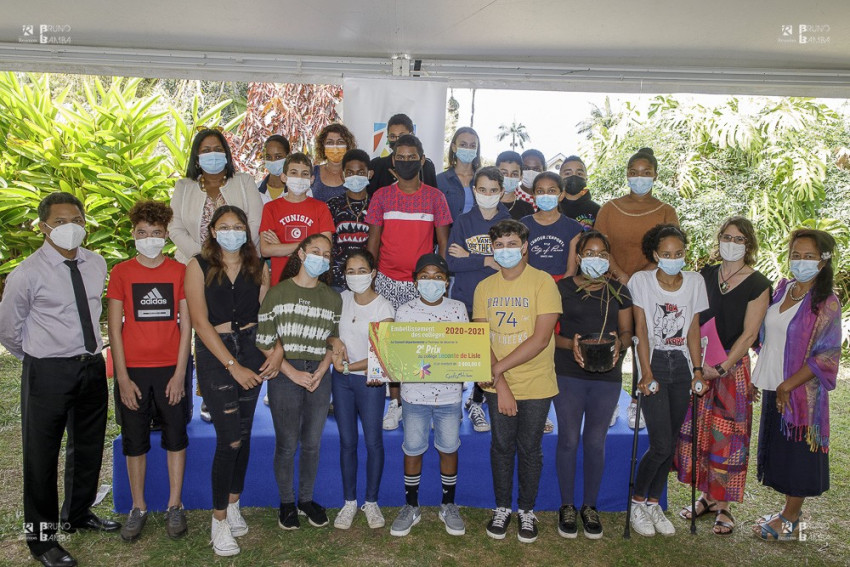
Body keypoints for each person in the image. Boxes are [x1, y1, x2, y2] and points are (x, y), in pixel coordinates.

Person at [0, 192, 120, 567]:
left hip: (91, 365)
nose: (70, 228)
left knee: (87, 445)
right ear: (44, 227)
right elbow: (8, 330)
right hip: (48, 370)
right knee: (41, 456)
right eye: (61, 221)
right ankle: (41, 540)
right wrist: (37, 358)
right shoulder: (27, 273)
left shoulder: (96, 263)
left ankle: (79, 513)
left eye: (77, 220)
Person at [184, 205, 275, 557]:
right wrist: (232, 364)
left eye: (238, 226)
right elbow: (200, 322)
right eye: (225, 226)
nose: (232, 232)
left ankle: (234, 503)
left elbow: (266, 315)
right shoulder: (198, 266)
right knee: (229, 440)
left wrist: (272, 353)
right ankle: (218, 520)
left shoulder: (258, 267)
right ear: (213, 231)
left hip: (252, 349)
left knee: (245, 432)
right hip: (216, 354)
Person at [674, 216, 770, 535]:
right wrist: (700, 366)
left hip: (731, 371)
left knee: (727, 438)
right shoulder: (706, 275)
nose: (732, 243)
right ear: (719, 240)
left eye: (739, 239)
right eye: (727, 237)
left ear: (749, 244)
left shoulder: (758, 283)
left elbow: (749, 334)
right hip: (701, 365)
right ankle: (706, 498)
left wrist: (723, 367)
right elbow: (693, 318)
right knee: (702, 431)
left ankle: (724, 507)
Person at [107, 201, 192, 542]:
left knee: (175, 437)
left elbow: (187, 327)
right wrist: (123, 377)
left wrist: (180, 374)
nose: (150, 239)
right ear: (133, 235)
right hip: (134, 372)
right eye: (143, 233)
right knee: (134, 440)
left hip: (172, 369)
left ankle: (175, 504)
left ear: (166, 235)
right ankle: (138, 507)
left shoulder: (179, 272)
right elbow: (114, 330)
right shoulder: (122, 273)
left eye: (156, 233)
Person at [473, 219, 562, 544]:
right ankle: (502, 508)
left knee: (529, 449)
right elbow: (482, 338)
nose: (506, 250)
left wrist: (497, 372)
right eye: (499, 245)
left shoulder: (543, 283)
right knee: (500, 447)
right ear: (492, 248)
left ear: (525, 246)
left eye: (512, 244)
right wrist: (502, 385)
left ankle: (526, 509)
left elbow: (540, 339)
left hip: (537, 382)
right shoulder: (485, 287)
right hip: (500, 385)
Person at [751, 229, 840, 541]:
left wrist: (789, 385)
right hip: (774, 383)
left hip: (801, 393)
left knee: (799, 453)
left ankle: (791, 519)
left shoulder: (826, 303)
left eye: (809, 256)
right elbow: (767, 336)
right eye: (796, 255)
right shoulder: (783, 289)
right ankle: (786, 512)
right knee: (781, 451)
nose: (801, 262)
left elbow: (826, 356)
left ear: (823, 261)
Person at [256, 234, 343, 531]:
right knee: (287, 443)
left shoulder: (333, 297)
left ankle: (306, 500)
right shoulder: (278, 293)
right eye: (315, 250)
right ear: (302, 254)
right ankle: (286, 502)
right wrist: (293, 374)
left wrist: (320, 371)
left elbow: (333, 340)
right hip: (285, 375)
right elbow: (264, 341)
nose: (321, 256)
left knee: (312, 444)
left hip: (319, 375)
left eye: (327, 253)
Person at [365, 134, 452, 430]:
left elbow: (442, 244)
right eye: (399, 158)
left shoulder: (436, 198)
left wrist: (441, 282)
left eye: (411, 157)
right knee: (391, 345)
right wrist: (369, 279)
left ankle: (424, 400)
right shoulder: (381, 197)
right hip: (387, 281)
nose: (405, 162)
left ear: (422, 160)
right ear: (392, 161)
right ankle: (396, 403)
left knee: (422, 344)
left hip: (422, 285)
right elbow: (373, 242)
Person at [627, 224, 708, 538]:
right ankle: (637, 502)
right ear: (655, 254)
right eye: (666, 254)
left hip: (683, 367)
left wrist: (698, 370)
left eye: (679, 253)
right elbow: (641, 329)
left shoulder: (695, 282)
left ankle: (652, 502)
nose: (674, 258)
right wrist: (646, 372)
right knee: (660, 444)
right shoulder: (642, 281)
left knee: (670, 443)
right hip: (656, 361)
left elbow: (693, 329)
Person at [553, 230, 633, 539]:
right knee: (569, 440)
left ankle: (589, 506)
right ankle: (567, 506)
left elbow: (626, 332)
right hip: (568, 374)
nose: (596, 259)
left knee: (596, 441)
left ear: (609, 259)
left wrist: (618, 344)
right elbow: (546, 334)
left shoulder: (620, 291)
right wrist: (569, 344)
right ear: (578, 256)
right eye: (590, 253)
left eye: (602, 255)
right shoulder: (561, 288)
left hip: (607, 376)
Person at [594, 147, 679, 430]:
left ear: (655, 175)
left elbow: (671, 251)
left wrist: (641, 276)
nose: (639, 178)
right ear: (627, 175)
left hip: (651, 288)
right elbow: (599, 247)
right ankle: (608, 404)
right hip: (611, 286)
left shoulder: (666, 210)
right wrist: (621, 275)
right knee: (613, 342)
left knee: (644, 342)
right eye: (633, 173)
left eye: (645, 173)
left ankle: (637, 403)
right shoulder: (610, 208)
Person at [389, 254, 468, 538]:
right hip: (414, 394)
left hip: (449, 395)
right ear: (415, 281)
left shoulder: (458, 308)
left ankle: (449, 504)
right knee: (412, 448)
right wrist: (395, 388)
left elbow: (463, 351)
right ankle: (411, 506)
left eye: (437, 277)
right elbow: (398, 354)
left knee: (449, 447)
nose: (431, 281)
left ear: (446, 283)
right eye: (424, 276)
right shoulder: (405, 311)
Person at [331, 250, 394, 530]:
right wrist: (334, 343)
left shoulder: (384, 308)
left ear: (373, 273)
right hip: (341, 381)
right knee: (347, 442)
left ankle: (371, 501)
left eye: (362, 270)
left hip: (370, 381)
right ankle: (349, 502)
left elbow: (381, 354)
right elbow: (330, 332)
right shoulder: (340, 299)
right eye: (351, 271)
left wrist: (348, 366)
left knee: (372, 441)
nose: (356, 276)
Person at [446, 166, 511, 432]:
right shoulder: (462, 222)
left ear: (502, 192)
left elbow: (508, 265)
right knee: (465, 356)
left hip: (498, 300)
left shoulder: (509, 223)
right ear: (474, 191)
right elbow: (451, 262)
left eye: (493, 190)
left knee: (491, 356)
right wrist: (486, 260)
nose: (487, 194)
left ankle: (476, 402)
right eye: (482, 189)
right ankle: (456, 405)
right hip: (465, 300)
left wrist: (469, 257)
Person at [169, 128, 264, 264]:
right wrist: (203, 256)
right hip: (195, 262)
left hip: (241, 261)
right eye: (206, 150)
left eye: (218, 149)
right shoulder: (183, 187)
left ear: (226, 155)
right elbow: (175, 228)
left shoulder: (245, 181)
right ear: (196, 159)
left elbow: (256, 222)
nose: (213, 154)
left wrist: (233, 255)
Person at [259, 152, 334, 286]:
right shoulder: (270, 208)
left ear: (311, 179)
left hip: (313, 282)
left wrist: (281, 247)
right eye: (293, 173)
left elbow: (325, 249)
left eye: (304, 174)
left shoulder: (321, 208)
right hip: (281, 282)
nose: (299, 178)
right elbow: (266, 250)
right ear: (284, 177)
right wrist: (308, 249)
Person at [522, 172, 582, 281]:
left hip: (562, 285)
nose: (546, 195)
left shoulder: (573, 227)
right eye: (540, 191)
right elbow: (522, 265)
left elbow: (572, 270)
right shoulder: (524, 224)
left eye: (551, 191)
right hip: (530, 283)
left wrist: (559, 290)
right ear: (534, 196)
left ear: (561, 195)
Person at [326, 149, 373, 290]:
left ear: (369, 174)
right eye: (350, 173)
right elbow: (327, 242)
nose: (355, 177)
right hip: (336, 280)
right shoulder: (332, 205)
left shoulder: (377, 205)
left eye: (360, 173)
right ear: (342, 175)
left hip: (366, 279)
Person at [368, 113, 438, 195]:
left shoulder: (426, 166)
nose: (397, 141)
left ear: (412, 135)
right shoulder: (376, 165)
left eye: (402, 136)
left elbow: (432, 197)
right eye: (393, 137)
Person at [437, 127, 481, 222]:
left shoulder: (482, 180)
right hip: (449, 235)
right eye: (463, 144)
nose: (468, 149)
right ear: (454, 147)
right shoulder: (440, 180)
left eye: (472, 146)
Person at [311, 123, 357, 202]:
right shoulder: (313, 172)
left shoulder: (355, 174)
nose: (335, 146)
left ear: (348, 146)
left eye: (340, 142)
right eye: (330, 142)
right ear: (323, 146)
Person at [558, 155, 599, 230]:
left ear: (586, 178)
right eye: (567, 173)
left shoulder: (597, 210)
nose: (574, 177)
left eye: (579, 174)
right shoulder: (551, 208)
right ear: (559, 177)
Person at [496, 151, 535, 221]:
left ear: (521, 177)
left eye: (514, 174)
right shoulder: (487, 203)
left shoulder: (527, 209)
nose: (509, 177)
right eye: (504, 173)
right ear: (496, 173)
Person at [257, 134, 291, 204]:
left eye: (278, 157)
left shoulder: (299, 190)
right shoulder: (255, 190)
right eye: (268, 157)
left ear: (288, 156)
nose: (273, 161)